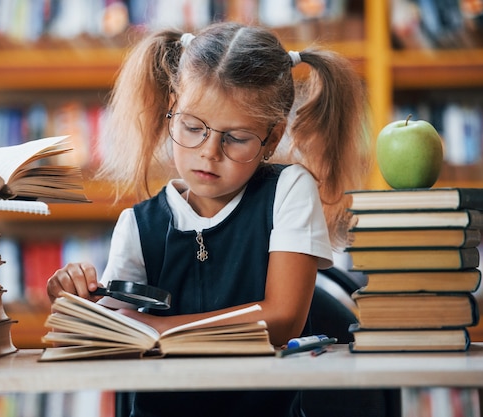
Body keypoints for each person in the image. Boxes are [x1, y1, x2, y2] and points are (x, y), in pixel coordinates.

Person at [47, 21, 370, 417]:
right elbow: (115, 334)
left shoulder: (289, 190)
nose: (209, 152)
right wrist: (74, 303)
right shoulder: (138, 224)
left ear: (271, 138)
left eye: (235, 137)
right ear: (171, 113)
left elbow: (283, 319)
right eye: (193, 127)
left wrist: (160, 330)